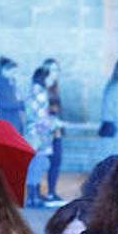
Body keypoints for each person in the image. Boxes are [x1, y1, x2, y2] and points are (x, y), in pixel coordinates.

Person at [24, 65, 58, 207]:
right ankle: (33, 196)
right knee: (38, 163)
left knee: (37, 163)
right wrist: (54, 124)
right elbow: (40, 116)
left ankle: (34, 194)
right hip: (39, 134)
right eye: (50, 77)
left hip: (35, 133)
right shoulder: (40, 93)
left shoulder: (34, 90)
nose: (52, 80)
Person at [43, 57, 66, 204]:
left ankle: (52, 191)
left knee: (57, 160)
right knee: (44, 162)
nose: (55, 73)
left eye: (57, 70)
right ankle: (38, 192)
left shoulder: (55, 87)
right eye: (52, 69)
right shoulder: (42, 87)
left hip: (56, 130)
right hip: (46, 130)